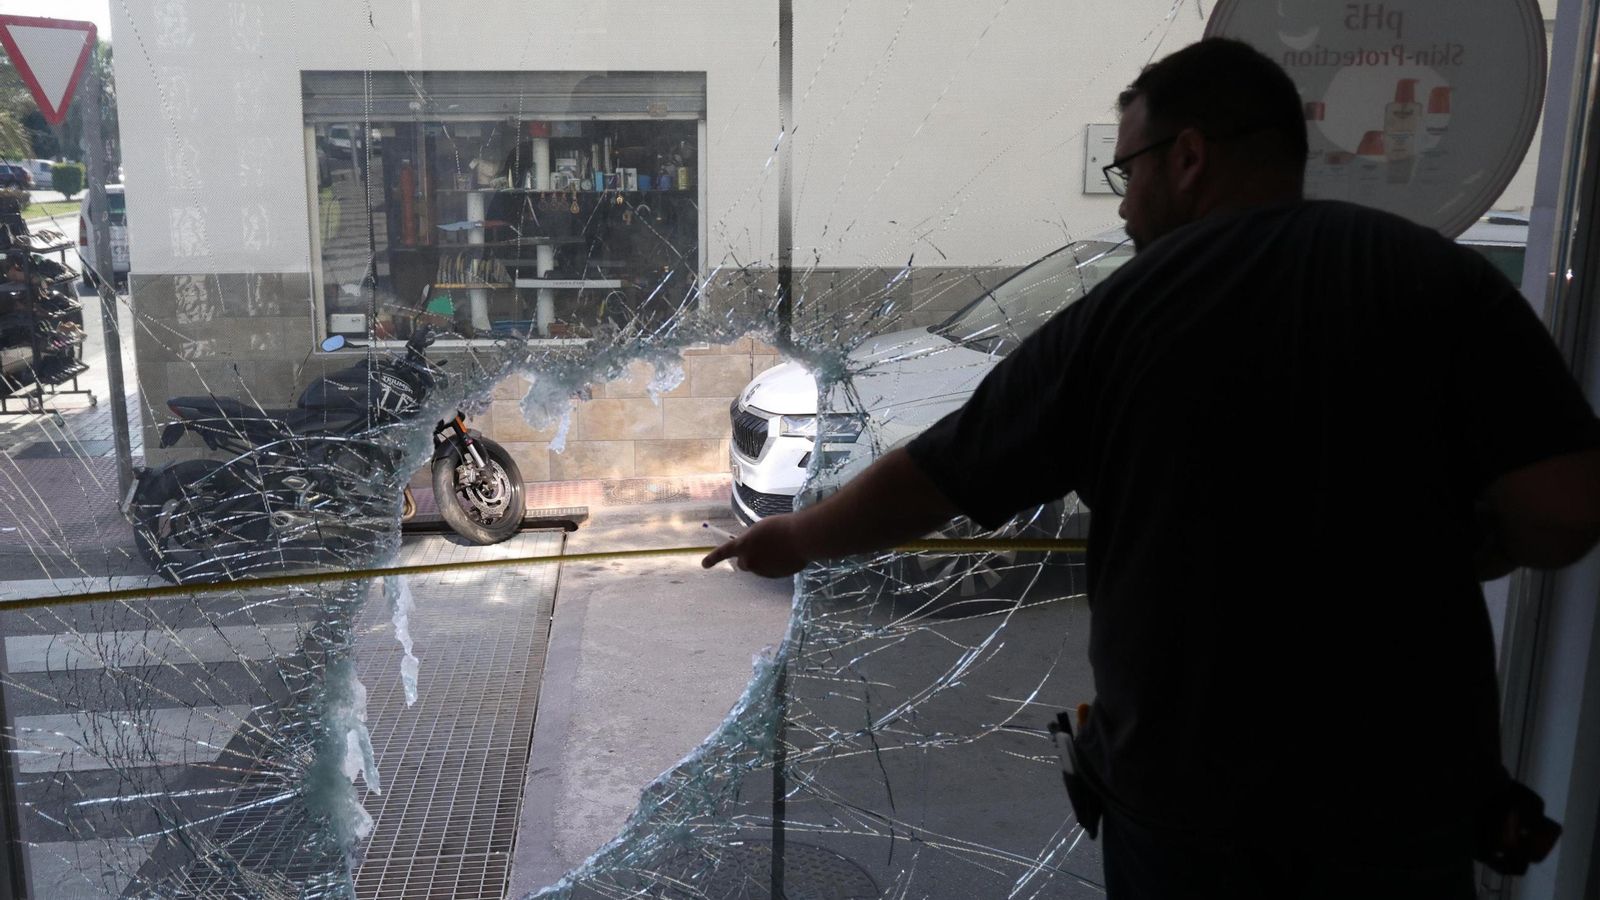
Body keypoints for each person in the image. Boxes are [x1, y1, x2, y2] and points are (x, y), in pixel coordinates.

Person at [702, 38, 1600, 898]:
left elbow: (934, 478)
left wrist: (797, 538)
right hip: (1404, 807)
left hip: (1191, 810)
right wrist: (1444, 549)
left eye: (1128, 171)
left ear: (1190, 157)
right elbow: (1563, 512)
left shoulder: (1125, 315)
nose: (1126, 204)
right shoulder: (1439, 280)